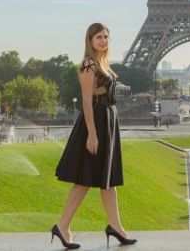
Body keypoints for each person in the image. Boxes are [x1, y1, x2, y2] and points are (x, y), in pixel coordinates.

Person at [53, 23, 137, 249]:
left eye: (106, 37)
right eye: (99, 37)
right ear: (90, 40)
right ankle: (62, 226)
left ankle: (115, 226)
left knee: (107, 180)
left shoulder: (102, 63)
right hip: (97, 123)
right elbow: (87, 102)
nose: (103, 40)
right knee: (85, 179)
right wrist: (92, 134)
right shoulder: (88, 65)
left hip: (107, 120)